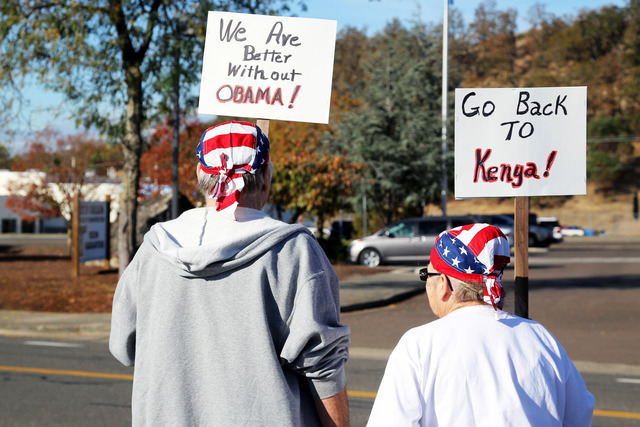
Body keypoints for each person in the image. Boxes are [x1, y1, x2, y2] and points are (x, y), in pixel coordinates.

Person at [109, 121, 350, 426]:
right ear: (265, 178)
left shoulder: (154, 249)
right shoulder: (294, 251)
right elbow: (323, 367)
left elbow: (124, 347)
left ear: (200, 175)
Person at [367, 223, 594, 426]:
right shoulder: (539, 335)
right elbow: (579, 413)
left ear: (443, 284)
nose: (426, 283)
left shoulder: (418, 345)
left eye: (427, 274)